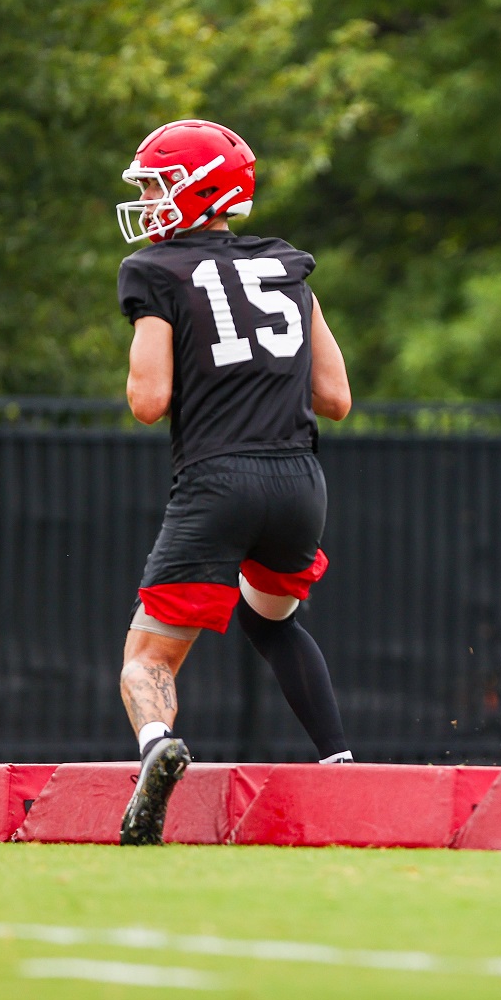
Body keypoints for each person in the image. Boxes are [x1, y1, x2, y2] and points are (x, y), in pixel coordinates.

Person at [112, 119, 354, 845]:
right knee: (270, 619)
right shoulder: (287, 266)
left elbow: (147, 400)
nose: (150, 201)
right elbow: (337, 398)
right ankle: (339, 763)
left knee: (147, 659)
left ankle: (157, 748)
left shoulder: (154, 272)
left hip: (218, 480)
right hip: (298, 483)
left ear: (196, 189)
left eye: (157, 185)